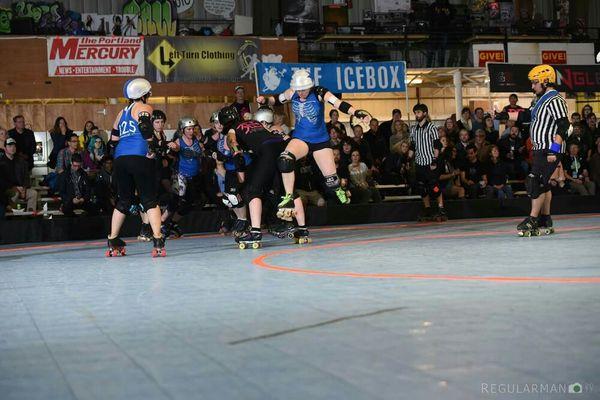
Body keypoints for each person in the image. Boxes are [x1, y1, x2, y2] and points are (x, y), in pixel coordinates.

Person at [257, 69, 371, 219]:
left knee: (331, 182)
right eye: (299, 90)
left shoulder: (319, 92)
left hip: (320, 141)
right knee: (285, 160)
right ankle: (289, 197)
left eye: (304, 90)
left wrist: (355, 112)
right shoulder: (293, 93)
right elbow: (276, 100)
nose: (301, 93)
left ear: (309, 86)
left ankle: (339, 189)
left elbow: (338, 103)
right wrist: (265, 101)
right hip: (301, 138)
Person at [219, 105, 310, 247]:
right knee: (288, 191)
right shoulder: (255, 122)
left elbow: (235, 148)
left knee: (252, 190)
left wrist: (239, 165)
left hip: (266, 151)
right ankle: (302, 229)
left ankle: (255, 232)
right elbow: (274, 135)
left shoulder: (232, 130)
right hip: (282, 148)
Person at [106, 78, 165, 257]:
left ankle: (113, 239)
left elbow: (112, 142)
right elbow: (146, 127)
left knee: (123, 201)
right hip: (139, 157)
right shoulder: (145, 108)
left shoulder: (121, 113)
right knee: (149, 199)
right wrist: (153, 146)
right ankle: (157, 239)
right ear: (144, 94)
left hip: (120, 159)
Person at [515, 65, 569, 236]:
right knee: (544, 185)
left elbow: (564, 125)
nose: (532, 86)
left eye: (535, 83)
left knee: (535, 182)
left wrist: (554, 150)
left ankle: (533, 219)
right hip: (542, 148)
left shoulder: (554, 99)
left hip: (549, 148)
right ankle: (546, 218)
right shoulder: (542, 99)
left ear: (545, 82)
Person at [161, 117, 203, 238]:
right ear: (182, 130)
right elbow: (171, 153)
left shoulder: (196, 140)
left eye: (193, 129)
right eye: (188, 129)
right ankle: (162, 223)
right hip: (180, 175)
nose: (191, 131)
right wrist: (173, 149)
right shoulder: (179, 141)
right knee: (175, 200)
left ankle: (172, 224)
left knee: (189, 203)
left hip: (193, 177)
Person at [410, 103, 446, 221]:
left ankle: (441, 209)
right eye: (415, 112)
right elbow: (412, 146)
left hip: (430, 161)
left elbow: (436, 145)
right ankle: (427, 209)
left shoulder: (431, 127)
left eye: (419, 112)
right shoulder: (413, 129)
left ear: (425, 113)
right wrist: (407, 159)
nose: (417, 114)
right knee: (422, 188)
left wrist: (435, 160)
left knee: (434, 187)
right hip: (419, 163)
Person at [0, 138, 38, 212]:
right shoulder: (1, 163)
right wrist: (14, 187)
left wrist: (24, 188)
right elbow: (2, 181)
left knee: (33, 193)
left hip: (21, 189)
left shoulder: (21, 161)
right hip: (7, 190)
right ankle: (9, 212)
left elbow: (26, 177)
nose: (12, 148)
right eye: (10, 146)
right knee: (15, 193)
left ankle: (30, 215)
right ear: (5, 148)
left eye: (14, 146)